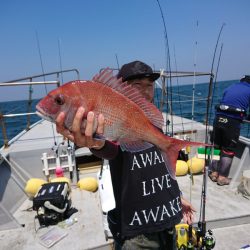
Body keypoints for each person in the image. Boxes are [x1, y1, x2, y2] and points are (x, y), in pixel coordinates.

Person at [56, 60, 195, 249]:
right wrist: (96, 143)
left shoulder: (153, 124)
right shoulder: (113, 123)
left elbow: (161, 169)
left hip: (169, 220)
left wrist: (177, 198)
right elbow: (110, 148)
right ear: (122, 91)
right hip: (138, 233)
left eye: (150, 85)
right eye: (137, 85)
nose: (146, 91)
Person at [210, 75, 250, 186]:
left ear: (241, 80)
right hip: (232, 121)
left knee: (216, 146)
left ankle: (213, 173)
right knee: (228, 150)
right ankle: (222, 178)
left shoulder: (231, 87)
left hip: (218, 118)